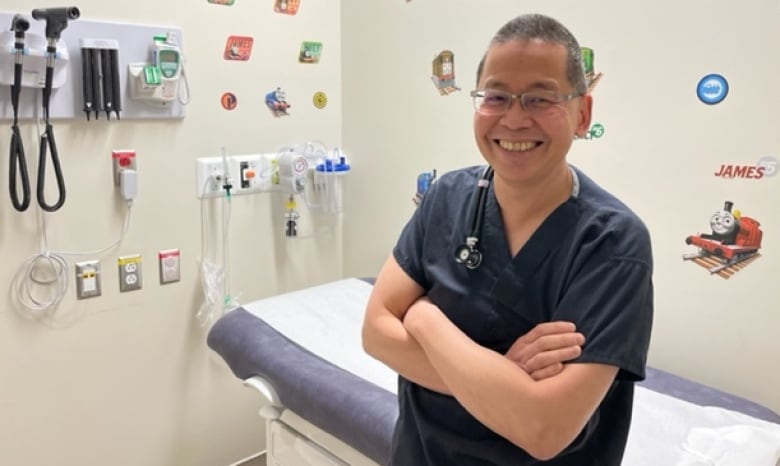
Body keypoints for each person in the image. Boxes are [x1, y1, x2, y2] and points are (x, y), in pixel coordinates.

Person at [361, 13, 653, 466]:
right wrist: (501, 379)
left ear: (583, 113)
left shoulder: (611, 243)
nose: (515, 119)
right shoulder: (445, 198)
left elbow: (544, 428)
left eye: (540, 98)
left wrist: (423, 319)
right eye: (496, 97)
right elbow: (375, 333)